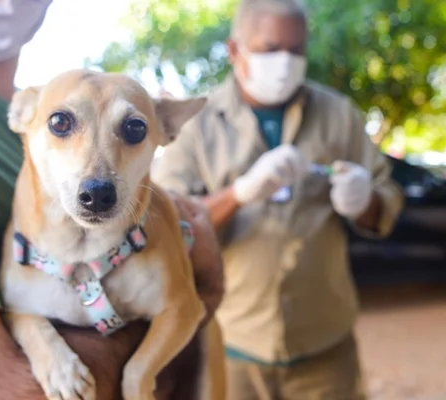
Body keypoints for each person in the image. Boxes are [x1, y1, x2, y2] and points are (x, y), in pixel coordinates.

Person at [0, 1, 223, 399]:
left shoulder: (23, 107)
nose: (96, 177)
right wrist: (205, 287)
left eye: (132, 130)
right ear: (25, 120)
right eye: (63, 124)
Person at [151, 0, 404, 398]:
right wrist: (238, 193)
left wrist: (365, 200)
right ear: (236, 51)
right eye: (270, 49)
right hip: (233, 342)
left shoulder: (339, 115)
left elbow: (386, 201)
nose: (284, 62)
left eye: (296, 50)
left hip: (324, 342)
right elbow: (168, 225)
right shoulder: (196, 124)